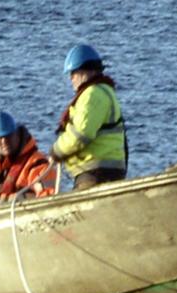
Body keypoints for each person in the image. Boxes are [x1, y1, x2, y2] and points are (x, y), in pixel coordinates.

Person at [53, 43, 129, 187]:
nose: (71, 79)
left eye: (73, 73)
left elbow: (81, 135)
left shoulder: (92, 95)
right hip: (109, 169)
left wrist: (56, 151)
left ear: (86, 71)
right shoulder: (106, 92)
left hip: (95, 172)